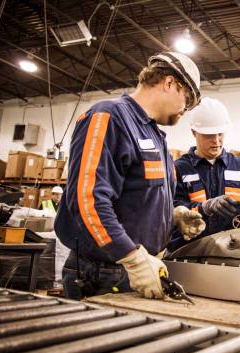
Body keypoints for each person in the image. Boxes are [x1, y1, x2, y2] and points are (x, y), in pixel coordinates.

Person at [55, 52, 205, 300]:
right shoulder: (108, 117)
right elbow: (87, 200)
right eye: (187, 101)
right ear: (169, 83)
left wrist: (171, 217)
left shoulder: (155, 136)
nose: (184, 111)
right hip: (105, 272)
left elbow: (135, 199)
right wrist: (131, 258)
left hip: (139, 270)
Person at [168, 97, 240, 251]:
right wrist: (205, 207)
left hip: (231, 252)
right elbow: (171, 210)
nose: (216, 140)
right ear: (194, 132)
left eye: (220, 134)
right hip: (188, 252)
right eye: (209, 135)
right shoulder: (178, 169)